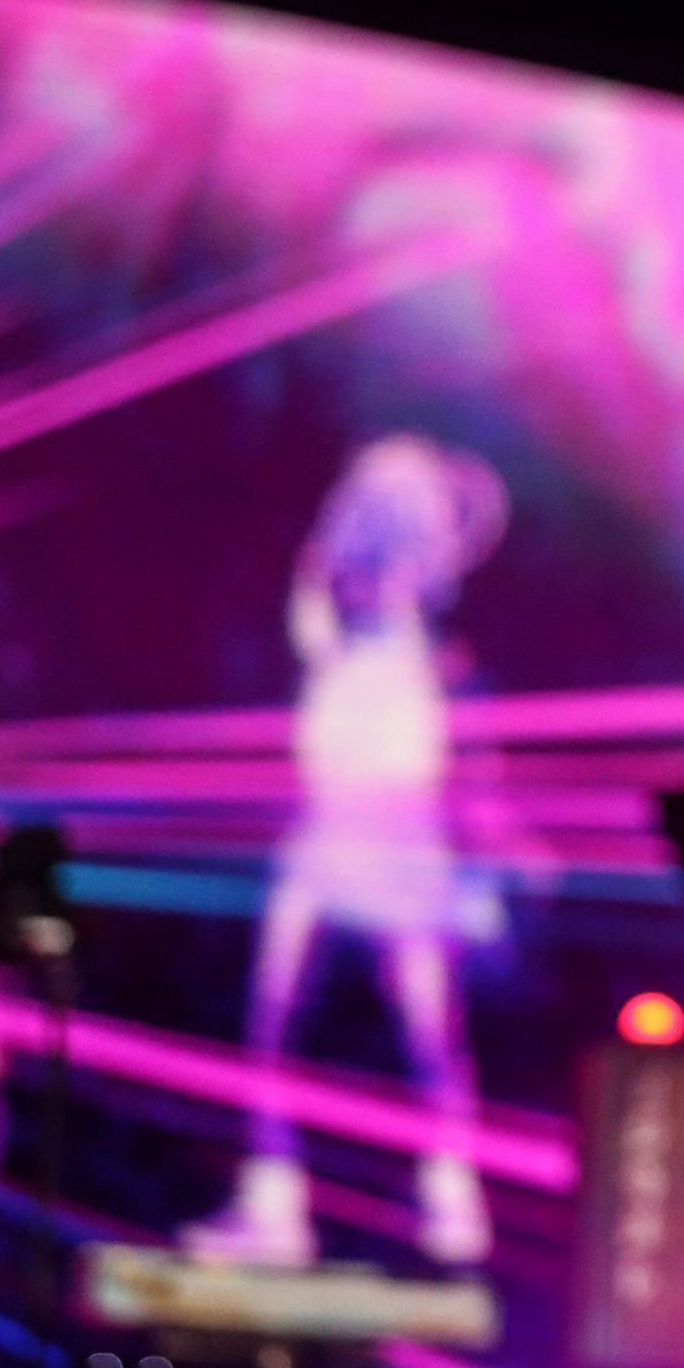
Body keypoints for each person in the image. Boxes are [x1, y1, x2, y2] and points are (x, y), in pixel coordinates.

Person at [185, 434, 508, 1267]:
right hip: (330, 832)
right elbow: (319, 586)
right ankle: (277, 1203)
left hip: (397, 837)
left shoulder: (422, 633)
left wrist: (482, 861)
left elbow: (475, 515)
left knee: (425, 1028)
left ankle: (452, 1197)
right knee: (279, 1016)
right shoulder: (336, 620)